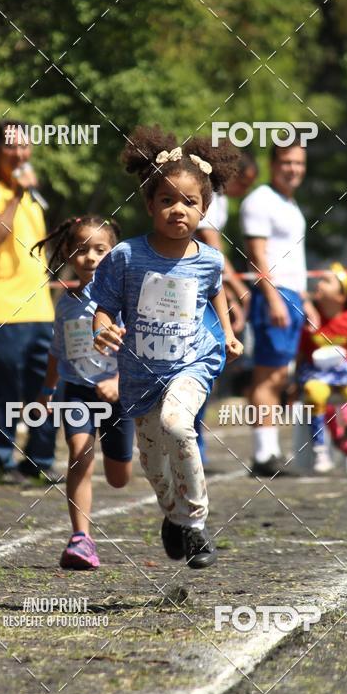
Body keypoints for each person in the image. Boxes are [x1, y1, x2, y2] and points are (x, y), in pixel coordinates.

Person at [91, 125, 243, 569]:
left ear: (204, 209)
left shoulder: (210, 259)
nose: (179, 209)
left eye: (190, 202)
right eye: (167, 200)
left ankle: (195, 524)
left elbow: (215, 291)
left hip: (192, 362)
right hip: (140, 373)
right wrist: (103, 328)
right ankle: (173, 515)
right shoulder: (126, 256)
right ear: (149, 204)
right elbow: (104, 305)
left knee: (179, 426)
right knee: (153, 465)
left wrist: (228, 332)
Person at [33, 215, 134, 570]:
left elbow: (140, 347)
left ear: (114, 253)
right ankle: (81, 538)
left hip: (117, 394)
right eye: (81, 250)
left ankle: (120, 458)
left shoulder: (123, 297)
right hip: (76, 390)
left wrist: (120, 381)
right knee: (79, 453)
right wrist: (47, 391)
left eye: (99, 249)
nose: (89, 257)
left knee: (119, 478)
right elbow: (56, 351)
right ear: (68, 254)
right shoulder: (65, 302)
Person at [0, 120, 61, 486]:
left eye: (25, 147)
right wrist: (17, 196)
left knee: (48, 389)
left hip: (41, 309)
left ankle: (38, 460)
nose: (20, 154)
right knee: (2, 391)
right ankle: (2, 462)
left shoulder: (35, 202)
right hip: (1, 310)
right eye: (11, 147)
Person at [240, 136, 319, 478]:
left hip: (292, 295)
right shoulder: (260, 200)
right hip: (273, 295)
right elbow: (257, 255)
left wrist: (306, 301)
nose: (293, 169)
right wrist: (273, 298)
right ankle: (262, 455)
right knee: (267, 375)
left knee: (279, 376)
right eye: (287, 162)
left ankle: (270, 450)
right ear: (273, 164)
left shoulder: (290, 204)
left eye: (299, 163)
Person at [194, 150, 258, 465]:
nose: (243, 192)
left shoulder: (219, 199)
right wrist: (240, 289)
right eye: (243, 183)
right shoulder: (207, 196)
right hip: (193, 293)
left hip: (205, 289)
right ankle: (192, 446)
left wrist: (230, 294)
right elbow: (213, 252)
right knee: (198, 368)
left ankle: (195, 444)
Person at [297, 263, 347, 476]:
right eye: (320, 279)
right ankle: (320, 451)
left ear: (341, 296)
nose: (319, 283)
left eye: (327, 281)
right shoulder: (311, 319)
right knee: (314, 392)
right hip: (317, 373)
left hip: (346, 373)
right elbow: (302, 353)